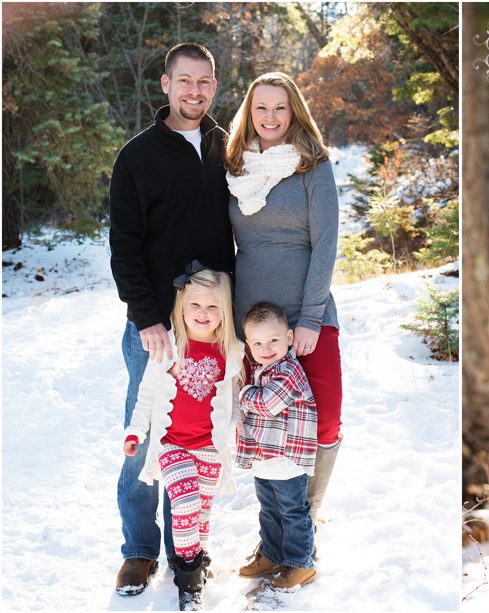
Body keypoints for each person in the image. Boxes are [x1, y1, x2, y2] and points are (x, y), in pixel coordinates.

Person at [109, 42, 234, 595]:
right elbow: (124, 247)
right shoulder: (138, 156)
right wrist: (147, 319)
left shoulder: (223, 147)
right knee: (147, 437)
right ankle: (138, 550)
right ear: (165, 84)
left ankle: (185, 550)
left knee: (195, 441)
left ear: (214, 86)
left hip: (210, 329)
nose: (195, 91)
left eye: (205, 82)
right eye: (185, 81)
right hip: (157, 331)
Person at [225, 72, 342, 554]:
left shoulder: (312, 166)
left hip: (306, 313)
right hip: (251, 321)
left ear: (294, 110)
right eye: (260, 108)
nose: (270, 117)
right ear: (249, 113)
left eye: (280, 107)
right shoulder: (234, 167)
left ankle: (306, 519)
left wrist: (310, 317)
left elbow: (326, 245)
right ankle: (274, 535)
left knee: (326, 419)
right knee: (262, 422)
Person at [123, 265, 244, 610]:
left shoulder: (230, 352)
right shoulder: (170, 346)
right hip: (172, 445)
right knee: (186, 503)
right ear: (181, 307)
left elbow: (233, 398)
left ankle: (199, 562)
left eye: (212, 307)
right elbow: (145, 393)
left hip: (209, 448)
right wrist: (136, 430)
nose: (203, 314)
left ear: (224, 311)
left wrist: (236, 420)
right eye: (195, 305)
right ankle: (188, 581)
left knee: (202, 514)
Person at [235, 302, 319, 590]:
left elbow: (267, 404)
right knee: (269, 509)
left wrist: (244, 393)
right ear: (248, 344)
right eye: (257, 342)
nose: (266, 347)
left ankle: (300, 564)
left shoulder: (289, 370)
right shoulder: (261, 370)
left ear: (289, 338)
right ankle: (271, 554)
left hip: (287, 458)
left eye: (273, 339)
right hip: (265, 457)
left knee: (293, 512)